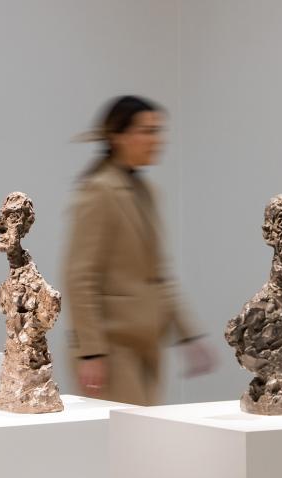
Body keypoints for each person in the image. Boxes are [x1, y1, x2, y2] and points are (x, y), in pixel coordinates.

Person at [63, 95, 215, 406]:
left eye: (158, 131)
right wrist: (90, 351)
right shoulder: (98, 191)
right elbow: (80, 276)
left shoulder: (147, 192)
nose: (157, 140)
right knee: (125, 444)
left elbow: (159, 275)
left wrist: (188, 334)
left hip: (147, 344)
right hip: (111, 348)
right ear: (119, 136)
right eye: (147, 131)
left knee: (145, 438)